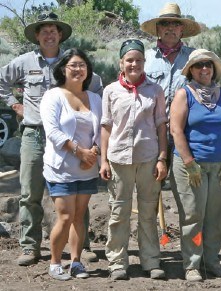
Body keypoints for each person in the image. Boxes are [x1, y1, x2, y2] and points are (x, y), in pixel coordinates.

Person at [0, 12, 102, 266]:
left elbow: (96, 86)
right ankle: (30, 246)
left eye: (53, 30)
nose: (48, 34)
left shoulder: (71, 62)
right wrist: (15, 105)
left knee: (79, 191)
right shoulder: (23, 62)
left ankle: (83, 246)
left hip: (71, 138)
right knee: (30, 192)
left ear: (60, 34)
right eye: (43, 30)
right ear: (37, 35)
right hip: (35, 134)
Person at [99, 39, 169, 280]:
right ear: (121, 63)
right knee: (119, 212)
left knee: (148, 213)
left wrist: (162, 158)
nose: (134, 64)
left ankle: (151, 260)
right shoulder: (110, 91)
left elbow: (161, 126)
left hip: (148, 158)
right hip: (119, 159)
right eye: (129, 60)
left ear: (144, 62)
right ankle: (117, 262)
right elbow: (106, 126)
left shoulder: (155, 90)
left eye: (138, 60)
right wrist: (104, 160)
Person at [170, 49, 221, 281]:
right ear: (191, 70)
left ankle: (212, 261)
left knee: (215, 215)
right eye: (198, 66)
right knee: (193, 215)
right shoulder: (184, 94)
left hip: (220, 165)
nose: (204, 69)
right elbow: (176, 130)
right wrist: (189, 162)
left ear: (214, 69)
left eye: (208, 65)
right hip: (191, 164)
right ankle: (192, 264)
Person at [40, 49, 102, 281]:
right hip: (61, 167)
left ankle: (76, 262)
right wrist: (79, 151)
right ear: (63, 69)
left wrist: (93, 152)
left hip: (87, 168)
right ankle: (55, 262)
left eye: (82, 65)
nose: (78, 69)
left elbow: (101, 130)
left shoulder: (95, 98)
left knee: (79, 216)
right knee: (65, 217)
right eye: (73, 65)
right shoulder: (53, 96)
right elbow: (53, 131)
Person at [141, 2, 200, 190]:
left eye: (175, 24)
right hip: (151, 134)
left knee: (186, 190)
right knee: (150, 191)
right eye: (165, 24)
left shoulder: (195, 59)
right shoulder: (145, 58)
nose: (170, 28)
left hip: (186, 134)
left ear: (182, 29)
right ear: (158, 28)